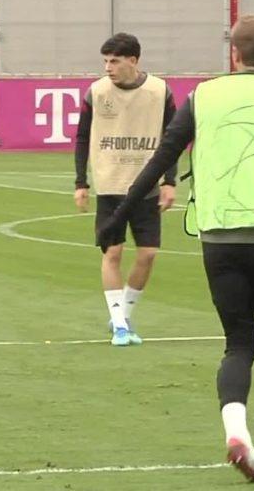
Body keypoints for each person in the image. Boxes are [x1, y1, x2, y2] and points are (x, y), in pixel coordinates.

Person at [98, 15, 254, 483]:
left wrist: (118, 216)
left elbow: (162, 157)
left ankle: (236, 432)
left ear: (234, 54)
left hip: (218, 237)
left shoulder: (202, 97)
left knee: (238, 344)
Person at [73, 33, 177, 347]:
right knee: (113, 253)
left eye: (114, 61)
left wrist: (169, 181)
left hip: (146, 185)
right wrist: (81, 182)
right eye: (105, 61)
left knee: (148, 254)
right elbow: (82, 137)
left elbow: (172, 138)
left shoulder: (160, 91)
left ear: (133, 60)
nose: (108, 67)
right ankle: (119, 324)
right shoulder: (97, 92)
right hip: (109, 184)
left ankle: (124, 313)